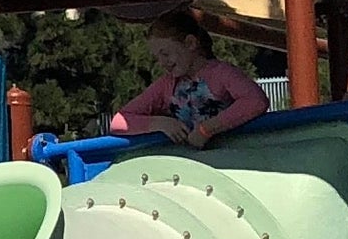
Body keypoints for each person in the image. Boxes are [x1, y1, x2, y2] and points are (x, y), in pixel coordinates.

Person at [107, 10, 265, 152]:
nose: (162, 62)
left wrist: (206, 129)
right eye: (157, 57)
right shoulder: (166, 84)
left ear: (190, 43)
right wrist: (161, 124)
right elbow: (120, 121)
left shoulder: (221, 73)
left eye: (166, 54)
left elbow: (256, 101)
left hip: (234, 154)